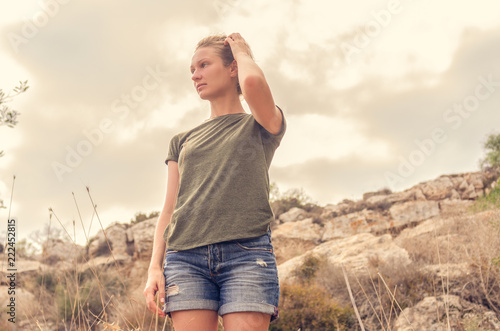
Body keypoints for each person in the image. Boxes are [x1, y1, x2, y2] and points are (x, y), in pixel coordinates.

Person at [143, 32, 286, 331]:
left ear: (233, 67)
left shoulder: (261, 124)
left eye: (204, 65)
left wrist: (242, 51)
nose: (195, 75)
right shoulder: (182, 141)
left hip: (246, 255)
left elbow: (252, 84)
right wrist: (154, 267)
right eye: (192, 70)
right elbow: (169, 209)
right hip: (185, 259)